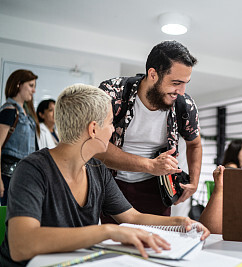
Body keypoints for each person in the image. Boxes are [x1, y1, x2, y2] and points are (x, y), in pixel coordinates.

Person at [0, 84, 209, 266]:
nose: (112, 131)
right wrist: (107, 231)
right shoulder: (32, 169)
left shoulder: (97, 170)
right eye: (110, 123)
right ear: (93, 129)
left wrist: (181, 222)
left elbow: (132, 217)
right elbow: (21, 245)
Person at [97, 40, 202, 218]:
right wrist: (150, 165)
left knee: (155, 242)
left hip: (157, 189)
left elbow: (195, 145)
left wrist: (194, 180)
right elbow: (96, 146)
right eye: (176, 82)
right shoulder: (112, 94)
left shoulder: (185, 106)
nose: (182, 91)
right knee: (112, 242)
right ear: (153, 74)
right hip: (109, 183)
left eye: (185, 83)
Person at [0, 69, 40, 206]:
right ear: (18, 84)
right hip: (8, 175)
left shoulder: (27, 115)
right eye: (31, 85)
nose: (34, 90)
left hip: (24, 175)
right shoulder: (9, 111)